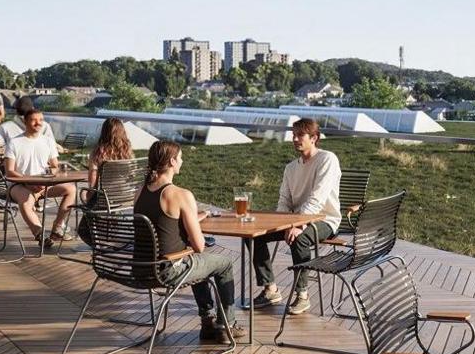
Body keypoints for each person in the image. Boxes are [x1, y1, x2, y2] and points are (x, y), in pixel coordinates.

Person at [134, 140, 246, 342]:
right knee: (222, 263)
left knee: (195, 260)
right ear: (171, 161)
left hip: (140, 268)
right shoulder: (180, 194)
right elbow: (199, 245)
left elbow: (161, 223)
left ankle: (208, 322)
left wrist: (194, 217)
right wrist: (192, 219)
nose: (182, 162)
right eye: (181, 158)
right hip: (167, 271)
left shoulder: (140, 191)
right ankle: (226, 325)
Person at [252, 118, 341, 315]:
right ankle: (270, 289)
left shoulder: (327, 160)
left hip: (325, 220)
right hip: (295, 219)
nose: (295, 139)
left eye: (300, 135)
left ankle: (302, 295)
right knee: (254, 235)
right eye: (294, 135)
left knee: (299, 239)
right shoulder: (291, 168)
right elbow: (284, 200)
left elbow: (317, 200)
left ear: (314, 138)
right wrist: (284, 222)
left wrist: (298, 225)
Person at [3, 109, 76, 242]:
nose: (39, 123)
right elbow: (9, 171)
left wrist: (46, 178)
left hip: (43, 184)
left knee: (71, 189)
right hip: (20, 185)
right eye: (34, 120)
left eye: (41, 120)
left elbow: (55, 166)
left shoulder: (47, 141)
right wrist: (29, 182)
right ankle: (40, 234)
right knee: (26, 202)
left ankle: (57, 227)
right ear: (25, 122)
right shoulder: (14, 142)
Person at [87, 117, 133, 188]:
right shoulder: (127, 151)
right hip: (127, 195)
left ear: (104, 132)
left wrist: (89, 194)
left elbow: (93, 177)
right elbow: (131, 175)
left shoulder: (97, 153)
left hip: (106, 196)